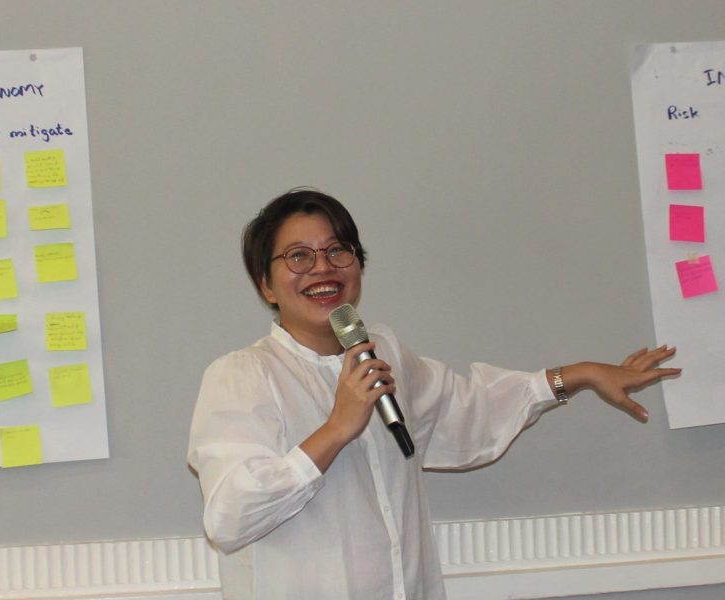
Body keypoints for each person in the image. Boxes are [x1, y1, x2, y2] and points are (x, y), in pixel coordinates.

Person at [187, 188, 680, 600]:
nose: (323, 268)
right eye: (299, 256)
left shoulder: (383, 355)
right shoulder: (242, 376)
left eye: (339, 250)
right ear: (266, 285)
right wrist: (337, 429)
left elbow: (472, 412)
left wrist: (583, 374)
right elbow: (230, 516)